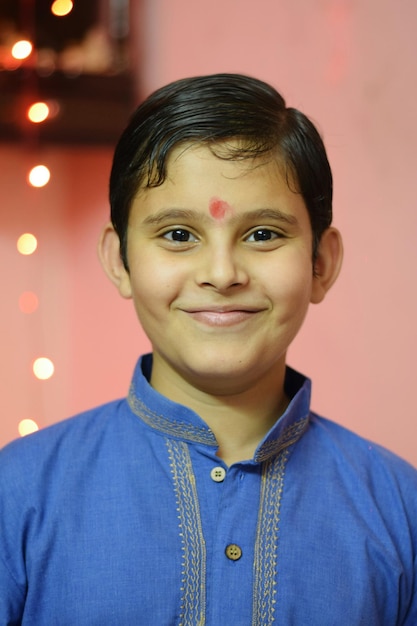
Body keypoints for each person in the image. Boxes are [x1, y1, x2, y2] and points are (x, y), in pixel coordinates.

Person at [0, 73, 416, 625]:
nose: (222, 274)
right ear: (120, 260)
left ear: (321, 263)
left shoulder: (399, 509)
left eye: (263, 234)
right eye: (177, 235)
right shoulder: (20, 495)